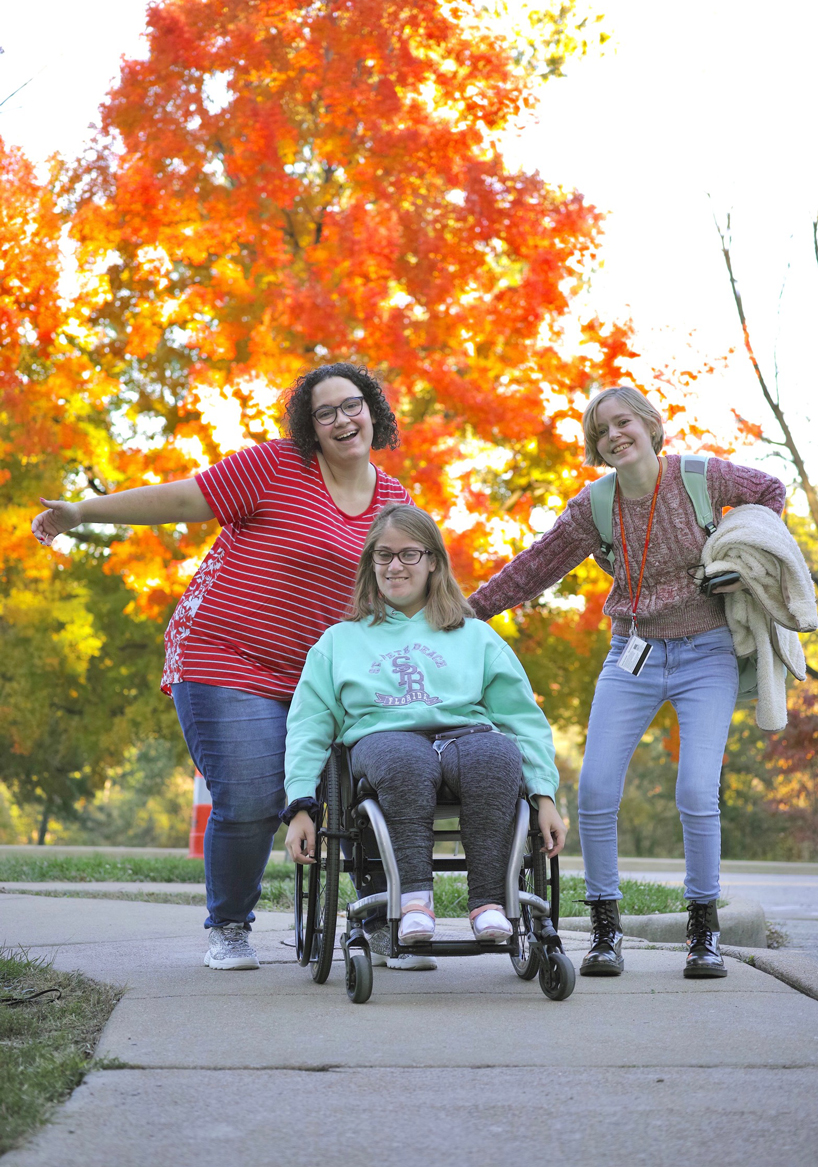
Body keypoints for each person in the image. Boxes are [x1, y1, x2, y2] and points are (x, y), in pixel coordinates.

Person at [31, 363, 412, 971]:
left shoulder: (394, 499)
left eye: (353, 405)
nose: (343, 419)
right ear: (309, 428)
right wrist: (84, 511)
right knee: (254, 798)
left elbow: (405, 587)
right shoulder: (272, 466)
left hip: (320, 676)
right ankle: (230, 926)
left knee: (378, 778)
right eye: (326, 412)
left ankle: (377, 917)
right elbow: (183, 497)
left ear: (374, 410)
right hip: (223, 654)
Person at [468, 386, 786, 979]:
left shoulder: (702, 477)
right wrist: (469, 610)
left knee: (696, 790)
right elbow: (536, 565)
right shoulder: (596, 505)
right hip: (631, 653)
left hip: (705, 653)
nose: (614, 435)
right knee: (594, 790)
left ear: (647, 424)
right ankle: (605, 931)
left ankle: (702, 932)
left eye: (623, 422)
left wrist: (738, 555)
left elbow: (770, 492)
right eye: (601, 431)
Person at [282, 503, 566, 958]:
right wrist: (300, 804)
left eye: (409, 554)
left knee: (496, 756)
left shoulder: (475, 636)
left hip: (467, 736)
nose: (395, 566)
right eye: (383, 555)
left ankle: (490, 901)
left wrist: (544, 796)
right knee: (404, 760)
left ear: (433, 560)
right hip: (382, 740)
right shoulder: (339, 641)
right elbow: (309, 725)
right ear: (370, 563)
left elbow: (522, 720)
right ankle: (413, 899)